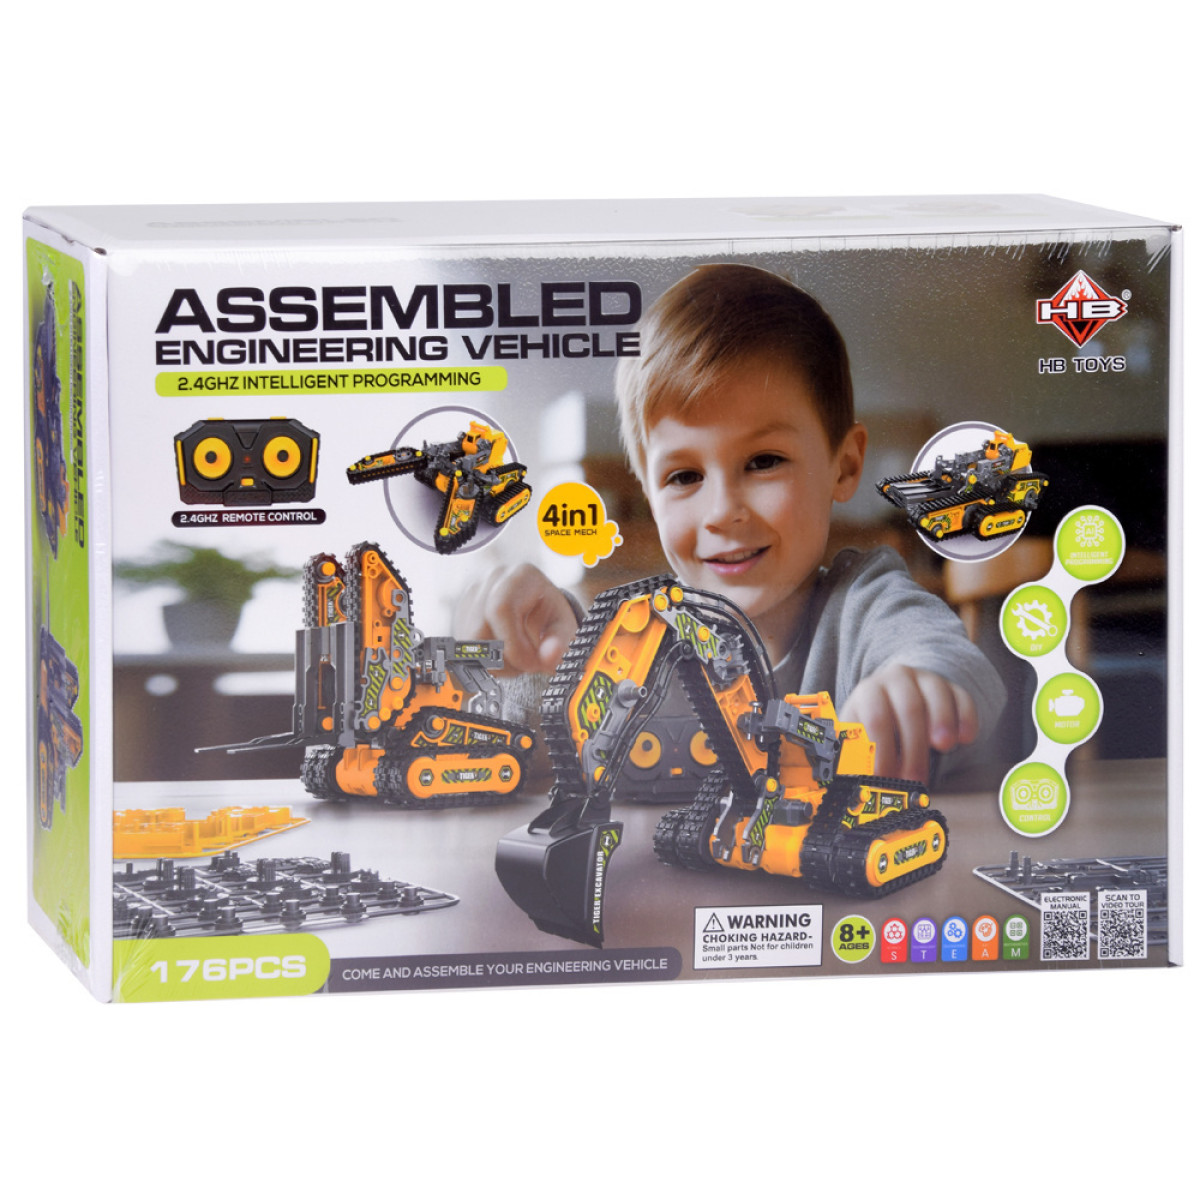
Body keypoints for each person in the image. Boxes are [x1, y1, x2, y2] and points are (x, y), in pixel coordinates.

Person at [455, 264, 1004, 784]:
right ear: (648, 492)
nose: (721, 511)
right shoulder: (632, 640)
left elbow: (955, 668)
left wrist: (918, 689)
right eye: (684, 476)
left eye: (764, 461)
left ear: (844, 466)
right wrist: (513, 661)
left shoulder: (867, 603)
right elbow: (511, 737)